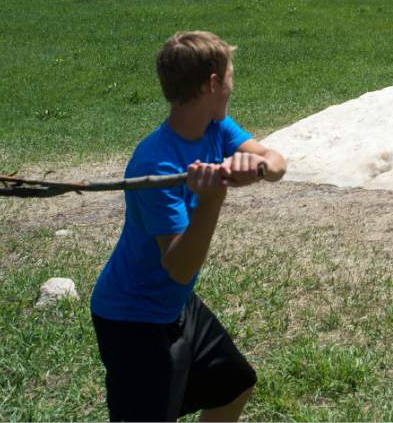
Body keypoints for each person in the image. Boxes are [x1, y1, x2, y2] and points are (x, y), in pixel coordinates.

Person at [90, 31, 286, 422]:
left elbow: (276, 160)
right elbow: (178, 266)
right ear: (213, 83)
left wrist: (256, 166)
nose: (233, 87)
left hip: (175, 306)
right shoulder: (156, 163)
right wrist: (212, 199)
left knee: (234, 385)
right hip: (134, 318)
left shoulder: (216, 129)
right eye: (230, 78)